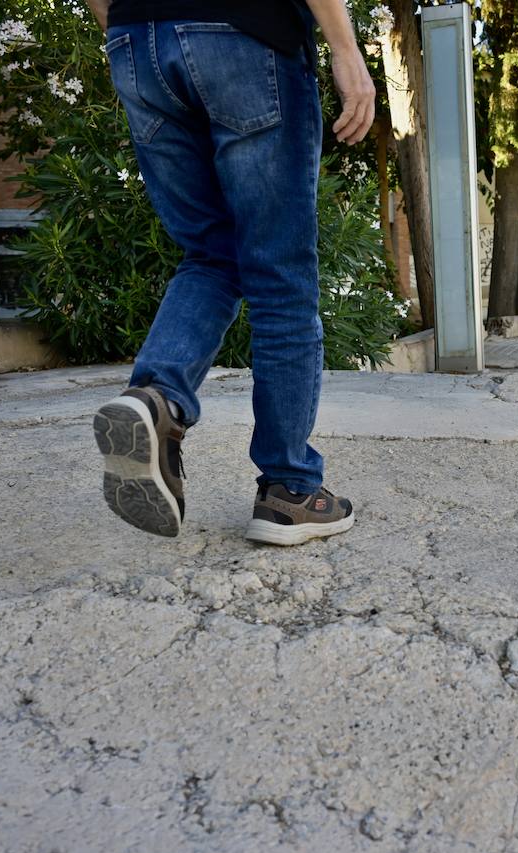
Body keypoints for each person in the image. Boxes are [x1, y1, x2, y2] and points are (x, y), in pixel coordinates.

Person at [84, 0, 374, 545]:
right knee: (279, 274)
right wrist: (345, 48)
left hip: (134, 42)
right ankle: (289, 490)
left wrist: (129, 25)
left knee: (211, 253)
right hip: (240, 31)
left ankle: (158, 398)